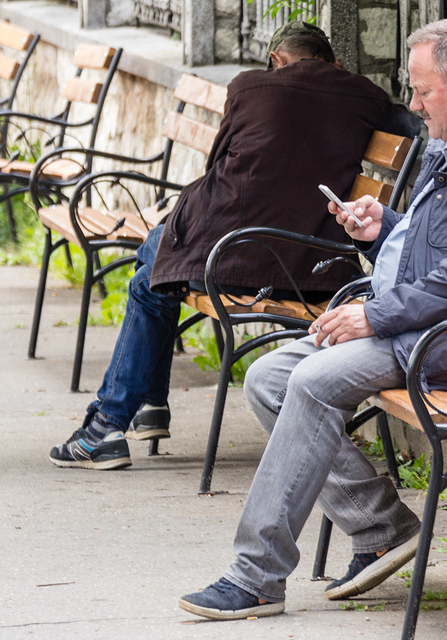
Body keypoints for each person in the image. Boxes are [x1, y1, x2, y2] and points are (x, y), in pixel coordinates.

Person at [178, 17, 447, 620]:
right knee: (268, 378)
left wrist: (378, 314)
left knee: (311, 382)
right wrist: (385, 229)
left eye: (421, 90)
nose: (412, 104)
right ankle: (381, 527)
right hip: (435, 323)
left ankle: (255, 574)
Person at [47, 22, 420, 470]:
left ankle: (110, 423)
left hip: (240, 257)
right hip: (316, 265)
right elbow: (414, 126)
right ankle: (141, 409)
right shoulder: (364, 94)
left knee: (152, 270)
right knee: (154, 267)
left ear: (277, 60)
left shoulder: (248, 85)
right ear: (334, 62)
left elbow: (218, 171)